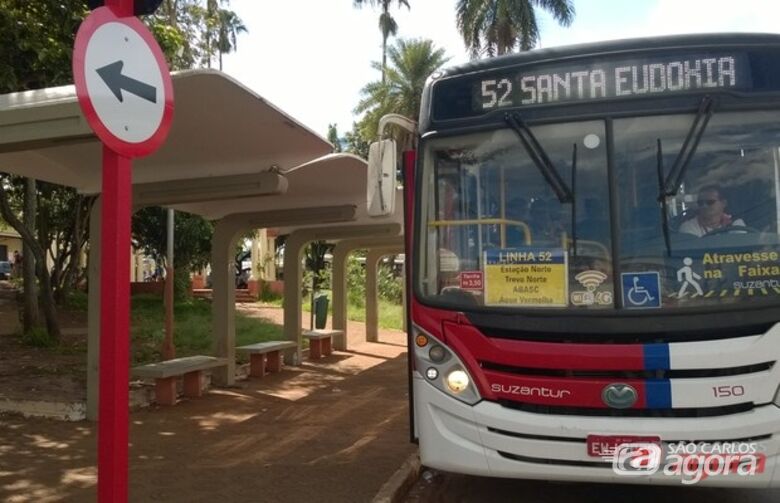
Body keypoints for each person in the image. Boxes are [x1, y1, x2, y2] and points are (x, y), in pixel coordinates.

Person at [678, 184, 745, 237]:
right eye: (700, 203)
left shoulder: (736, 224)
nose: (704, 206)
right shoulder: (689, 227)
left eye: (710, 202)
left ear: (723, 203)